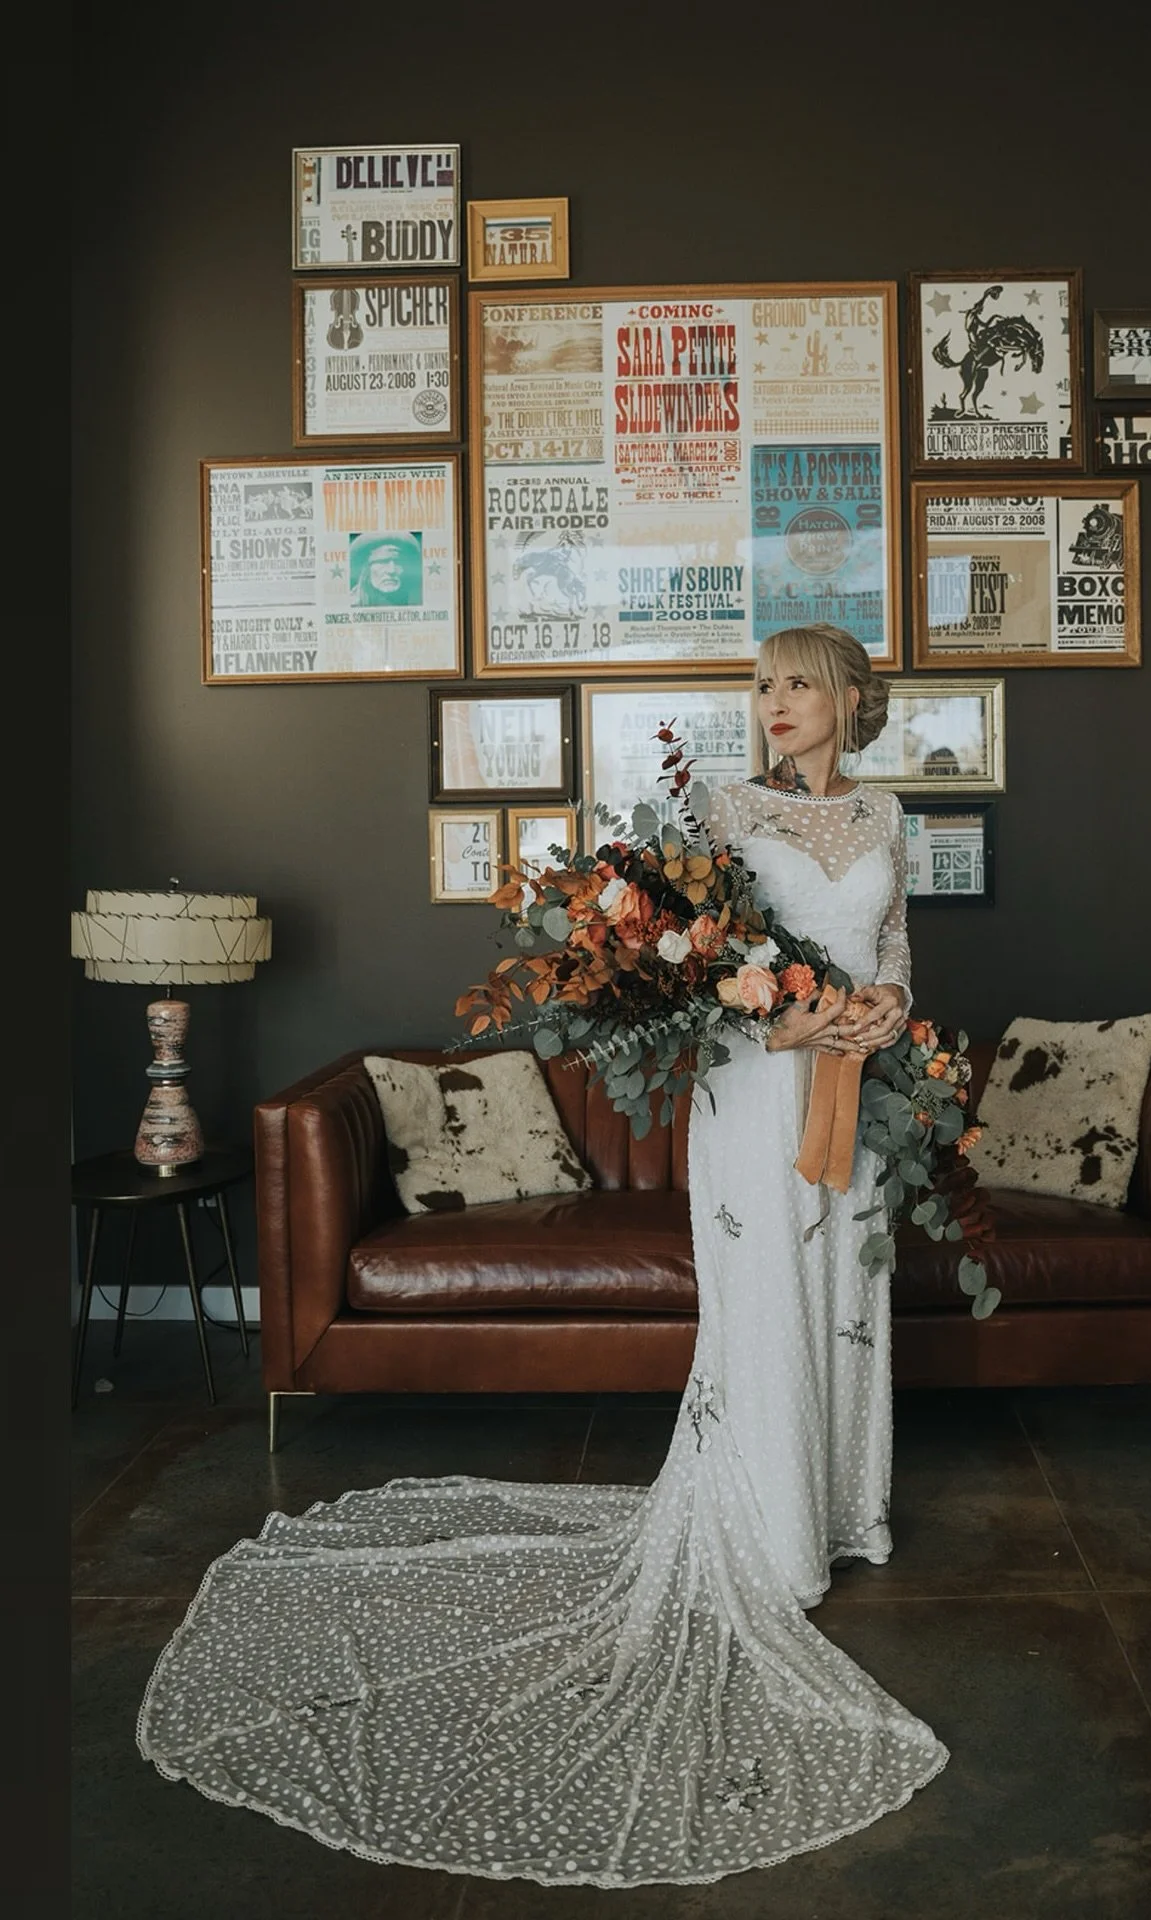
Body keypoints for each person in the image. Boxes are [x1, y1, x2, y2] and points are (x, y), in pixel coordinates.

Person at [135, 623, 948, 1886]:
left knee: (847, 1294)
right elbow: (702, 969)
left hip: (857, 1087)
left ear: (849, 698)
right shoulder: (727, 808)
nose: (775, 703)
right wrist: (774, 1007)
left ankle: (845, 1509)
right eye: (763, 686)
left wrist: (886, 1003)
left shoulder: (890, 816)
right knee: (769, 1301)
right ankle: (773, 1535)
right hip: (754, 1093)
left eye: (797, 683)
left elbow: (891, 945)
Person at [349, 530, 423, 607]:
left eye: (398, 562)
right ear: (366, 568)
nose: (392, 570)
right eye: (383, 562)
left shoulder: (416, 601)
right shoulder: (352, 604)